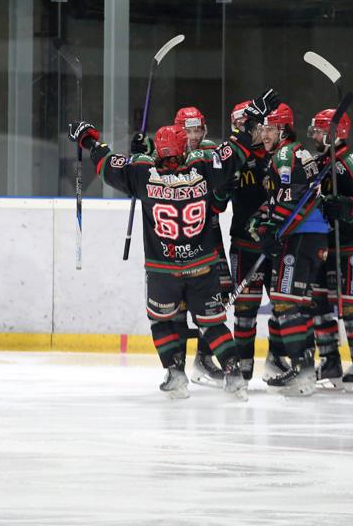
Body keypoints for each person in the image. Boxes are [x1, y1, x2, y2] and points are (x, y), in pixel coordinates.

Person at [66, 88, 279, 400]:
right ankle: (234, 375)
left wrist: (89, 139)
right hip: (202, 264)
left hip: (163, 269)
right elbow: (237, 149)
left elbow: (107, 163)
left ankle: (175, 373)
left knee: (161, 320)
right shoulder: (203, 166)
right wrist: (251, 119)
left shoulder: (142, 173)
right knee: (213, 323)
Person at [249, 101, 330, 396]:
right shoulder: (296, 153)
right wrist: (263, 219)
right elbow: (285, 198)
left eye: (270, 129)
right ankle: (303, 366)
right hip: (312, 236)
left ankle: (302, 370)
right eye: (262, 129)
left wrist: (271, 229)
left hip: (301, 236)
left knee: (284, 302)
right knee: (298, 302)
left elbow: (289, 199)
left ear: (283, 130)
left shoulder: (284, 155)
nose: (264, 134)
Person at [311, 107, 353, 391]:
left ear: (334, 133)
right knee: (319, 302)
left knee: (350, 304)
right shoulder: (321, 162)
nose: (314, 135)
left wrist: (347, 207)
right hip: (324, 244)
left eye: (319, 131)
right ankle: (329, 361)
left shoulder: (352, 162)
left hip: (350, 246)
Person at [167, 105, 229, 387]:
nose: (193, 136)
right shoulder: (166, 153)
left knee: (216, 300)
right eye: (187, 130)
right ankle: (176, 367)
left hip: (209, 238)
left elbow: (220, 201)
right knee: (177, 304)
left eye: (197, 130)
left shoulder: (212, 152)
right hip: (177, 242)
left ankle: (203, 359)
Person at [225, 100, 278, 382]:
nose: (248, 131)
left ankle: (277, 360)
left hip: (277, 243)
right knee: (245, 310)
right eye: (239, 125)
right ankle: (243, 367)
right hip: (244, 243)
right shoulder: (232, 156)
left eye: (252, 125)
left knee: (283, 307)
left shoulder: (276, 155)